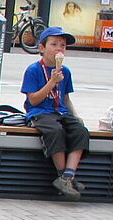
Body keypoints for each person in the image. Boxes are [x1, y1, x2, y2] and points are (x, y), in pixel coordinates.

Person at [21, 26, 89, 200]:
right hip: (40, 112)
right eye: (54, 44)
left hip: (61, 111)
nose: (59, 48)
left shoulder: (66, 71)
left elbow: (65, 98)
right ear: (42, 48)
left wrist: (75, 115)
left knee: (80, 131)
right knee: (55, 131)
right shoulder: (33, 70)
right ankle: (61, 174)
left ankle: (68, 175)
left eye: (63, 45)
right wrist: (51, 82)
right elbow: (33, 100)